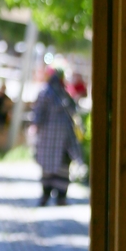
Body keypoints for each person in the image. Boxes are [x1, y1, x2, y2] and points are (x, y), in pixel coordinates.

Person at [33, 68, 82, 205]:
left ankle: (53, 196)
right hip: (58, 137)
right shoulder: (58, 93)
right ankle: (54, 197)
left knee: (54, 167)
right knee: (57, 167)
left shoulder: (52, 93)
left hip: (55, 138)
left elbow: (38, 114)